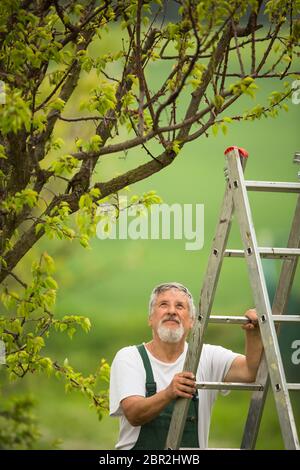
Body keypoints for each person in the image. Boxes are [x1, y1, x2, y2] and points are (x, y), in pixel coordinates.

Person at [109, 282, 263, 450]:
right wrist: (169, 393)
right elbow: (134, 414)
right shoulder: (130, 358)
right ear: (150, 319)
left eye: (180, 306)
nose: (172, 311)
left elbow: (251, 372)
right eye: (163, 305)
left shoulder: (207, 356)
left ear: (191, 321)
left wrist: (254, 333)